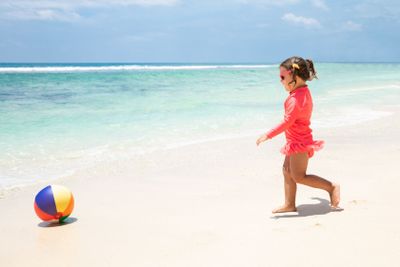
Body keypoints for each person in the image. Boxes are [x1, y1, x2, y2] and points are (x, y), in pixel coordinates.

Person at [256, 56, 341, 213]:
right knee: (286, 171)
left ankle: (331, 187)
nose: (280, 81)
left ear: (294, 76)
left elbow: (287, 122)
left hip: (300, 142)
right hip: (295, 140)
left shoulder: (296, 99)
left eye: (283, 77)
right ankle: (289, 204)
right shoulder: (301, 92)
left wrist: (268, 135)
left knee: (299, 176)